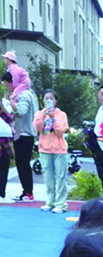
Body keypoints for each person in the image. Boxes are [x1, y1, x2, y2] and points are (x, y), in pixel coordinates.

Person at [3, 72, 38, 201]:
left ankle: (28, 192)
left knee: (23, 164)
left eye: (6, 84)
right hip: (23, 134)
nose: (7, 87)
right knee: (22, 163)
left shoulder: (24, 95)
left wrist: (10, 102)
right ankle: (26, 191)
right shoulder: (27, 93)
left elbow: (21, 111)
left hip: (24, 134)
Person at [34, 90, 69, 214]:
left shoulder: (62, 115)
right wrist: (43, 116)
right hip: (44, 149)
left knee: (60, 177)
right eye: (46, 98)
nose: (49, 101)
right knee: (48, 177)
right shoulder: (39, 113)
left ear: (55, 101)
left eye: (51, 99)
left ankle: (61, 204)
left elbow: (60, 132)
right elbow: (38, 128)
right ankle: (50, 202)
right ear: (43, 100)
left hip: (59, 149)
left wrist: (53, 119)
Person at [0, 92, 16, 204]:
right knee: (3, 167)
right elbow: (7, 117)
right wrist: (12, 106)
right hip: (2, 138)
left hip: (3, 137)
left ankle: (2, 194)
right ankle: (1, 194)